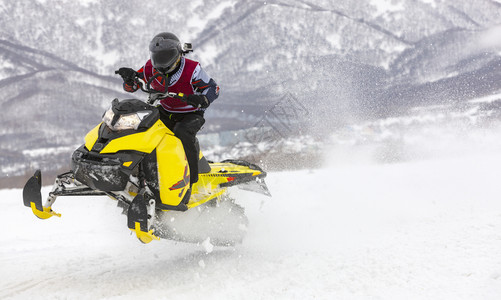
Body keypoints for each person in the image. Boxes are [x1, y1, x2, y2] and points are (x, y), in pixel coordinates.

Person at [116, 32, 219, 186]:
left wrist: (203, 99)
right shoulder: (150, 67)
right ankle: (141, 173)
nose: (162, 61)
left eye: (166, 56)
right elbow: (132, 87)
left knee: (182, 133)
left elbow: (214, 88)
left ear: (178, 54)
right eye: (158, 56)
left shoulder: (192, 69)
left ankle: (191, 181)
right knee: (145, 129)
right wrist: (129, 78)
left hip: (191, 113)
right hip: (165, 110)